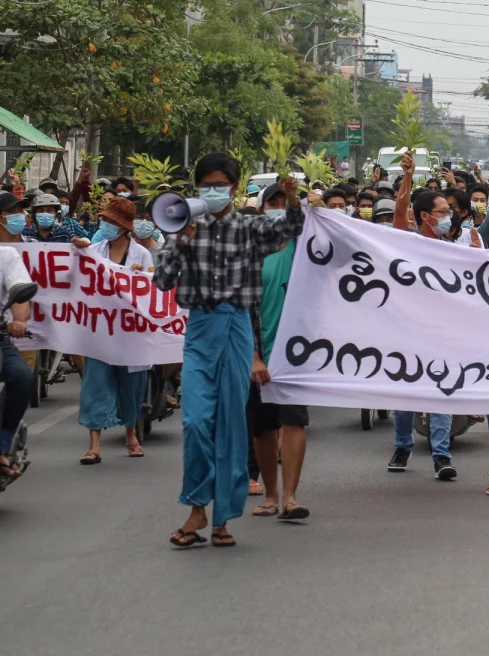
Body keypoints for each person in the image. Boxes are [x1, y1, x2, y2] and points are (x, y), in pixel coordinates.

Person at [153, 152, 306, 549]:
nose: (212, 191)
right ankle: (197, 506)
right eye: (206, 185)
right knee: (196, 421)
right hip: (201, 329)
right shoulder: (183, 226)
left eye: (219, 184)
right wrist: (180, 245)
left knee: (232, 425)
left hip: (238, 328)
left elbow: (292, 228)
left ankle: (221, 518)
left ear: (234, 189)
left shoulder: (252, 228)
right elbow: (162, 282)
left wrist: (291, 198)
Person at [69, 198, 153, 464]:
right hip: (100, 331)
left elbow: (151, 291)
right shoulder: (94, 249)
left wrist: (140, 275)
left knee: (131, 387)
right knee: (96, 384)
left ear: (123, 226)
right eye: (104, 220)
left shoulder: (142, 254)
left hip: (131, 332)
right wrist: (79, 249)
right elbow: (77, 277)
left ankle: (131, 435)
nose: (105, 224)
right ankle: (94, 445)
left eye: (111, 221)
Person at [246, 183, 310, 521]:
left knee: (294, 420)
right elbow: (242, 306)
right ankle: (270, 494)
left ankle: (290, 497)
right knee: (263, 428)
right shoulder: (249, 250)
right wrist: (254, 356)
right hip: (259, 353)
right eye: (272, 202)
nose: (278, 208)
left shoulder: (303, 247)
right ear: (260, 209)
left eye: (283, 203)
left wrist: (298, 199)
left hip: (297, 353)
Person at [387, 177, 458, 480]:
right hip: (408, 332)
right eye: (442, 211)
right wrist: (406, 178)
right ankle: (403, 444)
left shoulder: (457, 251)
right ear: (426, 217)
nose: (448, 216)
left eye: (448, 210)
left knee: (441, 394)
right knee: (407, 396)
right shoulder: (408, 243)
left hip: (442, 333)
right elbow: (400, 213)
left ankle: (441, 455)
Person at [0, 195, 34, 483]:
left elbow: (20, 290)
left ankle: (2, 443)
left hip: (0, 337)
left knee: (22, 377)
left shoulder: (7, 255)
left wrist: (19, 321)